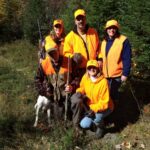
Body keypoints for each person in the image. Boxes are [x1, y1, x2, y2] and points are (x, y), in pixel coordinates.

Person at [70, 60, 114, 138]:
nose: (92, 70)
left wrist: (93, 109)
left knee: (97, 118)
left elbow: (104, 102)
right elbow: (82, 88)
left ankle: (101, 127)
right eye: (89, 68)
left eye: (94, 67)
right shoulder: (85, 77)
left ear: (98, 69)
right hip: (91, 107)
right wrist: (79, 93)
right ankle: (96, 121)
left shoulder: (103, 82)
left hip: (106, 107)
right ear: (87, 69)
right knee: (84, 124)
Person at [63, 9, 100, 90]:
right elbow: (66, 54)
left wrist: (100, 59)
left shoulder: (93, 32)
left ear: (85, 19)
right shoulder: (69, 37)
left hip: (94, 68)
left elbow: (99, 48)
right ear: (75, 21)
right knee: (82, 91)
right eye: (78, 19)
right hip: (80, 71)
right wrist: (74, 57)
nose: (80, 21)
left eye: (82, 18)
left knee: (95, 90)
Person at [98, 19, 132, 107]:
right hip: (105, 74)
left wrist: (125, 73)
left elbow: (127, 58)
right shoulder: (104, 41)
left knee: (114, 93)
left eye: (114, 28)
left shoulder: (123, 40)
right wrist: (100, 60)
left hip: (117, 74)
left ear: (117, 29)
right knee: (106, 94)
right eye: (109, 28)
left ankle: (116, 111)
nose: (111, 30)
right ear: (106, 29)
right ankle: (109, 111)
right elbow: (101, 54)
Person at [34, 43, 72, 120]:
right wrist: (45, 92)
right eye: (50, 54)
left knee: (69, 115)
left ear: (58, 51)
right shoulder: (44, 64)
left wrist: (72, 86)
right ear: (47, 55)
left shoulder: (68, 61)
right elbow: (37, 79)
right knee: (58, 119)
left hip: (67, 94)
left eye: (55, 52)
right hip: (53, 96)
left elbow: (76, 77)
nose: (53, 55)